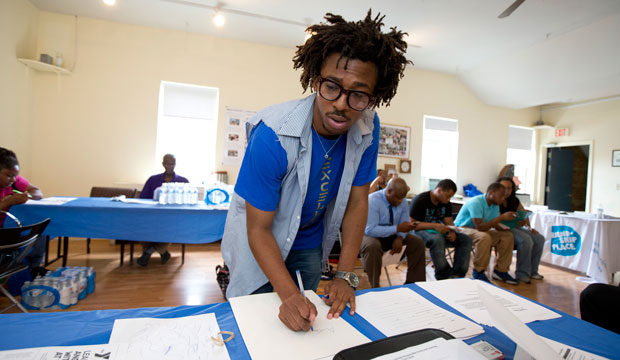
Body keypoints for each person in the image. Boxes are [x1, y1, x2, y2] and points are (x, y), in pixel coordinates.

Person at [221, 10, 411, 332]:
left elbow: (357, 202)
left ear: (373, 97)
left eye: (358, 94)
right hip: (260, 237)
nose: (341, 104)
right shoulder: (273, 136)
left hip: (309, 237)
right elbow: (258, 230)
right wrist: (288, 295)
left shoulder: (368, 126)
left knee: (306, 324)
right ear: (314, 80)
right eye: (332, 87)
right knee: (256, 320)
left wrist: (345, 275)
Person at [361, 178, 425, 287]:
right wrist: (397, 229)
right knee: (372, 246)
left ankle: (413, 283)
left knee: (417, 243)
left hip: (392, 234)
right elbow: (370, 230)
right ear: (389, 191)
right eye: (398, 198)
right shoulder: (373, 200)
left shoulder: (403, 201)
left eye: (402, 198)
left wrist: (400, 237)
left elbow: (405, 225)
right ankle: (375, 286)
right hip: (370, 236)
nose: (400, 201)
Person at [454, 182, 518, 284]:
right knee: (484, 237)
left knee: (507, 236)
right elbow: (479, 226)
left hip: (479, 229)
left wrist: (507, 225)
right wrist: (501, 217)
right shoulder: (476, 202)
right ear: (491, 193)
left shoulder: (495, 204)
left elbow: (493, 223)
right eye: (501, 195)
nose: (503, 199)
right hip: (462, 228)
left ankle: (501, 271)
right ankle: (478, 272)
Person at [409, 179, 472, 280]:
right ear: (439, 190)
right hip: (419, 232)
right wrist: (434, 226)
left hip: (438, 231)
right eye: (447, 196)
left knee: (466, 239)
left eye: (450, 197)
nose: (448, 200)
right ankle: (443, 275)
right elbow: (412, 225)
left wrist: (452, 232)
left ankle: (457, 275)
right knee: (437, 239)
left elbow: (449, 222)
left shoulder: (446, 203)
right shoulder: (420, 200)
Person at [136, 153, 189, 266]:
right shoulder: (153, 180)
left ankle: (148, 252)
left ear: (175, 164)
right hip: (153, 215)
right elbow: (143, 198)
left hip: (172, 217)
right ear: (163, 164)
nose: (169, 166)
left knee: (167, 227)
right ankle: (162, 251)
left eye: (172, 163)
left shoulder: (183, 181)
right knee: (142, 226)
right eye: (167, 163)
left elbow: (187, 202)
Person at [0, 147, 46, 276]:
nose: (13, 180)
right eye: (9, 175)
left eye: (15, 176)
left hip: (11, 229)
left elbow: (37, 191)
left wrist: (27, 196)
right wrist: (7, 202)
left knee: (41, 227)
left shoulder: (13, 181)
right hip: (4, 232)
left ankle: (34, 268)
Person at [497, 176, 544, 283]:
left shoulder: (514, 200)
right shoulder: (495, 199)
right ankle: (522, 273)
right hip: (501, 228)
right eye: (504, 188)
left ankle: (533, 271)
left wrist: (528, 227)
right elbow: (497, 219)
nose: (507, 191)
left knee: (539, 238)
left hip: (515, 226)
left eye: (509, 188)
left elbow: (523, 214)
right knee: (525, 239)